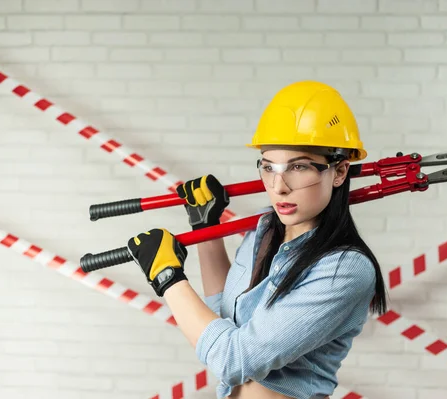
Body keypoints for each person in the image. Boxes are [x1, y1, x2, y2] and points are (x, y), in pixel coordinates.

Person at [126, 80, 388, 399]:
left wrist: (168, 278)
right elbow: (222, 318)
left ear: (340, 171)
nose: (278, 186)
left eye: (299, 167)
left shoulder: (345, 269)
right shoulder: (264, 232)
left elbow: (234, 359)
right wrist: (204, 229)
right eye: (268, 167)